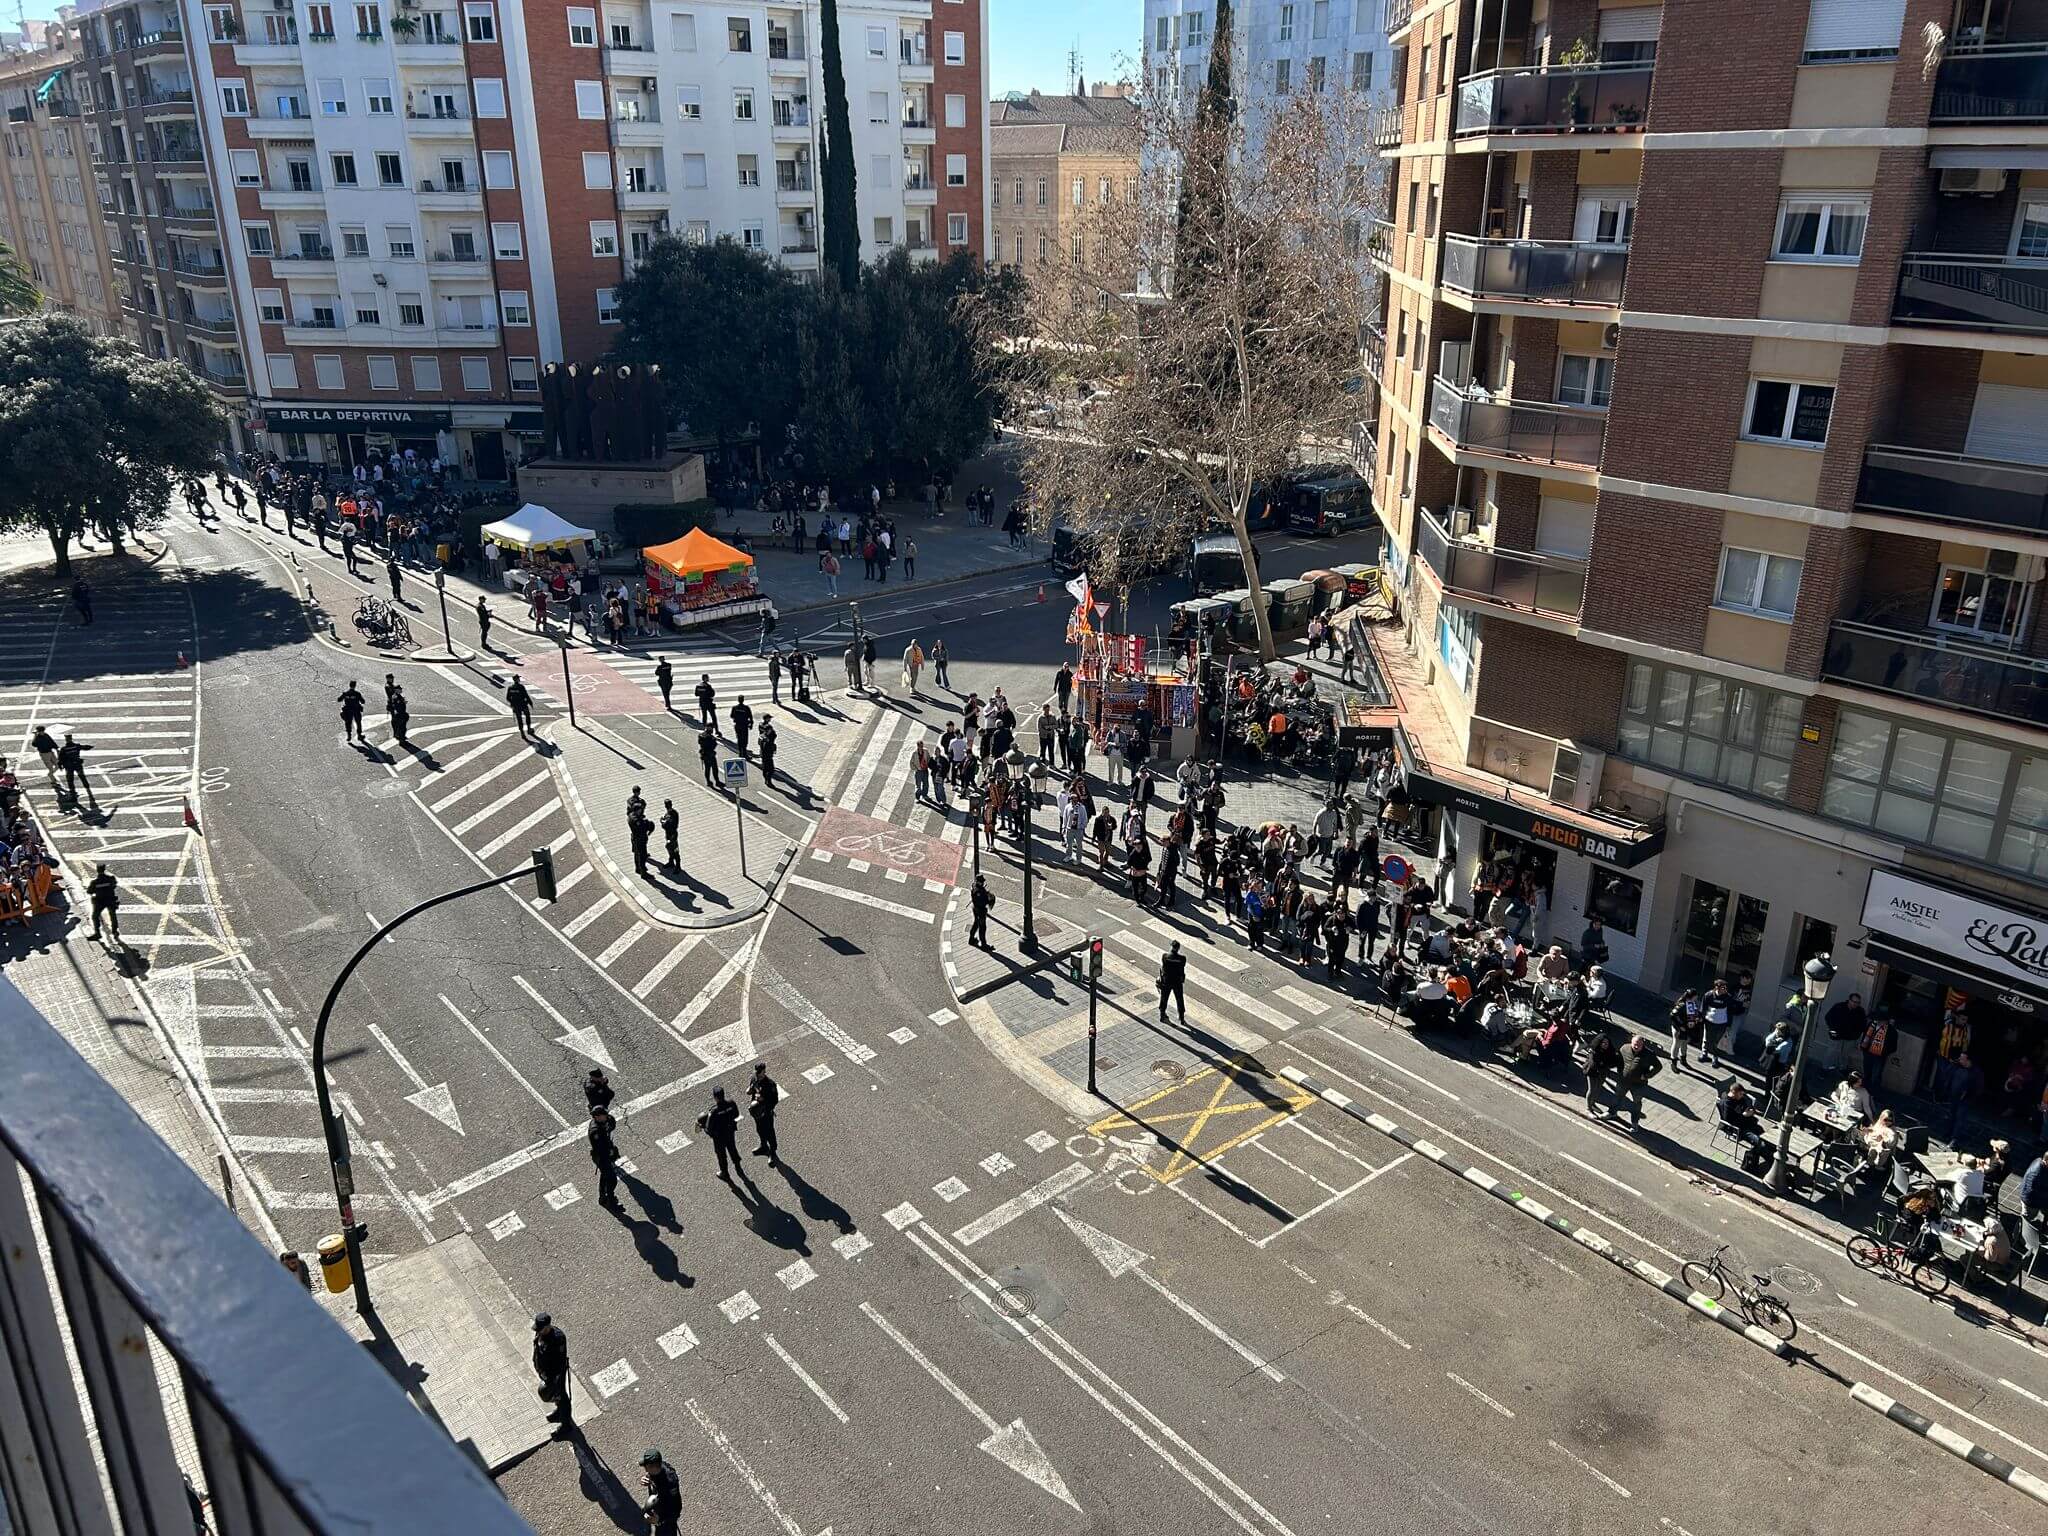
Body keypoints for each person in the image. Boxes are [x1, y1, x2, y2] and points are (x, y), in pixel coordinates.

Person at [1610, 1034, 1662, 1131]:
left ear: (1643, 1045)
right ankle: (1612, 1112)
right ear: (1631, 1043)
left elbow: (1658, 1066)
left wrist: (1647, 1076)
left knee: (1636, 1104)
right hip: (1623, 1081)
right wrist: (1619, 1071)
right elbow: (1619, 1059)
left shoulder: (1649, 1054)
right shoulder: (1624, 1048)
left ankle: (1634, 1123)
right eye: (1635, 1044)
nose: (1636, 1047)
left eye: (1639, 1045)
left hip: (1638, 1085)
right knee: (1617, 1097)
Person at [532, 1312, 571, 1426]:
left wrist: (552, 1378)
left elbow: (558, 1363)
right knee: (557, 1396)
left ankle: (566, 1425)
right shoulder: (540, 1333)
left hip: (555, 1374)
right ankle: (559, 1412)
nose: (538, 1331)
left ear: (548, 1326)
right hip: (546, 1372)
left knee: (561, 1396)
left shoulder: (557, 1339)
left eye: (541, 1329)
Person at [698, 1086, 742, 1181]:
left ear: (715, 1097)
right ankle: (737, 1164)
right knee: (732, 1148)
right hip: (730, 1132)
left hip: (719, 1138)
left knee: (721, 1155)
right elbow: (737, 1114)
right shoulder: (731, 1103)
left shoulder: (713, 1112)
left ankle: (724, 1173)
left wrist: (703, 1127)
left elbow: (709, 1129)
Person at [640, 1449, 683, 1536]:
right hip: (659, 1507)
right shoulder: (660, 1466)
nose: (645, 1469)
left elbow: (675, 1511)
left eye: (646, 1466)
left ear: (654, 1467)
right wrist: (647, 1478)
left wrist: (659, 1520)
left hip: (666, 1521)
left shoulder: (670, 1486)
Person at [748, 1062, 780, 1164]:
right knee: (759, 1129)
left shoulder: (770, 1084)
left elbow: (774, 1100)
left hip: (766, 1112)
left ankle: (772, 1152)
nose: (757, 1074)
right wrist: (750, 1090)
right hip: (756, 1111)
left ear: (764, 1071)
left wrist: (763, 1099)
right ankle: (763, 1146)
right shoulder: (754, 1078)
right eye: (756, 1072)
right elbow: (751, 1089)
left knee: (770, 1132)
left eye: (759, 1072)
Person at [588, 1108, 621, 1208]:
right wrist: (611, 1152)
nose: (606, 1116)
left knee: (605, 1177)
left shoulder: (605, 1121)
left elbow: (611, 1123)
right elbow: (601, 1148)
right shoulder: (596, 1131)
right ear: (597, 1117)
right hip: (602, 1157)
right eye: (604, 1115)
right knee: (611, 1180)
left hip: (605, 1155)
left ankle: (603, 1197)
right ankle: (610, 1200)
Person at [1584, 1029, 1620, 1115]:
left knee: (1597, 1089)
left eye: (1606, 1043)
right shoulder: (1594, 1051)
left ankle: (1592, 1104)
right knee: (1591, 1090)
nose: (1605, 1045)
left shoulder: (1610, 1051)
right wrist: (1605, 1063)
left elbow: (1612, 1062)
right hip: (1592, 1072)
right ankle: (1588, 1108)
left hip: (1602, 1073)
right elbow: (1595, 1063)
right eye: (1603, 1043)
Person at [87, 864, 121, 944]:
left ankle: (97, 933)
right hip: (110, 900)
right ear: (104, 869)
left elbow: (89, 891)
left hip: (100, 901)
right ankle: (115, 931)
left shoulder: (95, 882)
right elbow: (114, 885)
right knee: (113, 915)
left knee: (95, 916)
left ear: (97, 870)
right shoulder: (111, 879)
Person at [1158, 940, 1187, 1025]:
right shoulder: (1182, 959)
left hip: (1167, 981)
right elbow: (1182, 968)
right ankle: (1181, 1018)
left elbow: (1163, 967)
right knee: (1179, 999)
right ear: (1178, 948)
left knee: (1164, 998)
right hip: (1177, 981)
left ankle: (1162, 1015)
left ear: (1171, 946)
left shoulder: (1165, 956)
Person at [969, 873, 993, 948]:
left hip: (975, 908)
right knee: (982, 927)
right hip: (980, 910)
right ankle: (983, 944)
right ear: (978, 881)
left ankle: (971, 939)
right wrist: (988, 899)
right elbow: (982, 902)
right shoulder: (979, 891)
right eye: (981, 882)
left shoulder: (975, 886)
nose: (983, 883)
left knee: (976, 924)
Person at [661, 800, 681, 871]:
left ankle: (678, 866)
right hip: (669, 834)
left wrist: (663, 822)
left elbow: (667, 825)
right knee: (669, 848)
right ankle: (671, 861)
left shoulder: (672, 814)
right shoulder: (670, 813)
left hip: (673, 835)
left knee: (675, 850)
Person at [698, 725, 720, 790]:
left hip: (710, 754)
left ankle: (717, 781)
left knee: (714, 768)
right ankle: (708, 781)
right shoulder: (705, 736)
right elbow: (711, 744)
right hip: (707, 755)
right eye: (711, 728)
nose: (712, 730)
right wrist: (713, 739)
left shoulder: (706, 736)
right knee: (708, 769)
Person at [758, 716, 778, 788]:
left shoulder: (763, 736)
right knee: (771, 769)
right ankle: (768, 780)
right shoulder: (766, 739)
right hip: (767, 755)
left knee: (765, 768)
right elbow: (773, 737)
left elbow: (774, 735)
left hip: (765, 754)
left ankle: (766, 779)